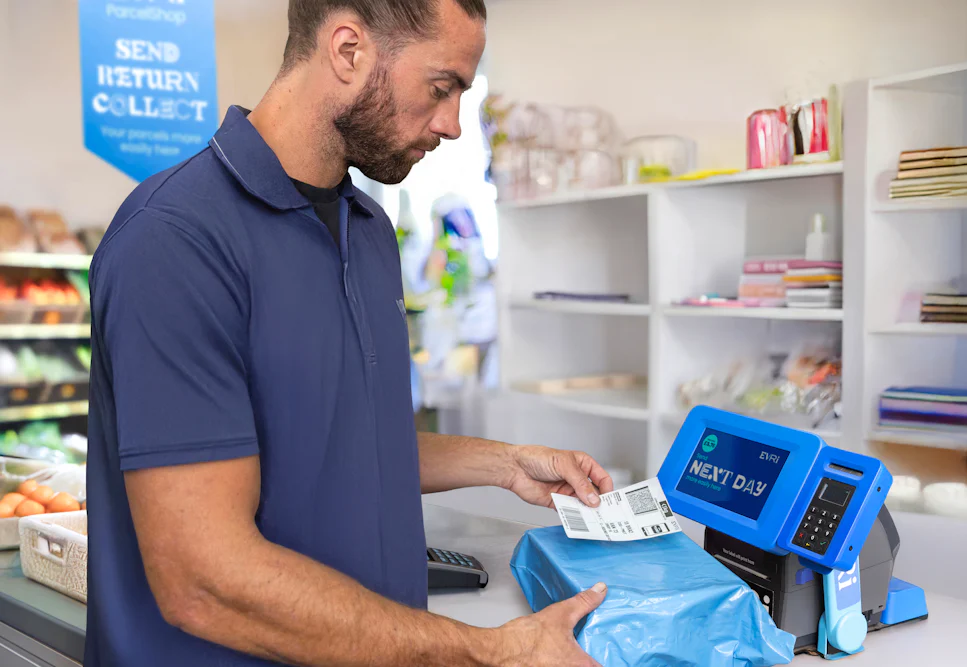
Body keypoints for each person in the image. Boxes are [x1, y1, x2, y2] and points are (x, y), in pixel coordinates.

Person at [86, 1, 613, 665]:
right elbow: (204, 582)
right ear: (347, 50)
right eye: (441, 87)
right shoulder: (176, 241)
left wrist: (507, 463)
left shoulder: (366, 231)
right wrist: (491, 652)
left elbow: (342, 439)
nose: (452, 125)